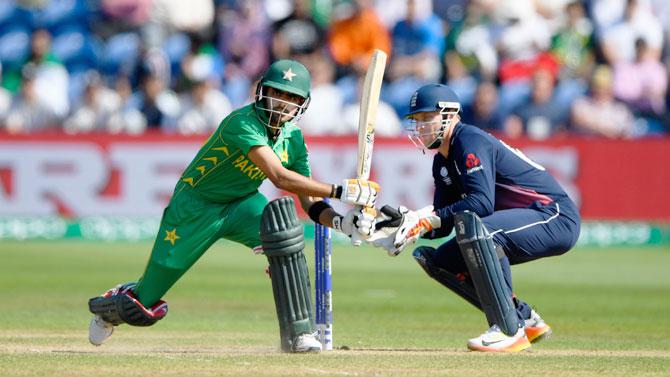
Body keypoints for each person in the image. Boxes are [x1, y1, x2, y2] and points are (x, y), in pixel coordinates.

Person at [87, 60, 379, 353]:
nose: (282, 104)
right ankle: (109, 306)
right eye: (277, 93)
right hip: (195, 206)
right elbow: (279, 177)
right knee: (143, 304)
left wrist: (343, 223)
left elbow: (311, 204)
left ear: (302, 105)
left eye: (291, 98)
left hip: (242, 203)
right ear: (262, 92)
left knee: (285, 235)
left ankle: (300, 335)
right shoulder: (242, 122)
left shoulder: (294, 139)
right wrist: (341, 190)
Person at [368, 84, 580, 352]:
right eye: (416, 121)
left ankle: (508, 329)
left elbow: (480, 204)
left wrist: (424, 220)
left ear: (450, 115)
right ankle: (523, 317)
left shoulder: (469, 140)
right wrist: (405, 227)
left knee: (481, 231)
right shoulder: (441, 161)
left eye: (426, 119)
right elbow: (443, 222)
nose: (420, 127)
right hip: (520, 220)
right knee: (435, 260)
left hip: (555, 215)